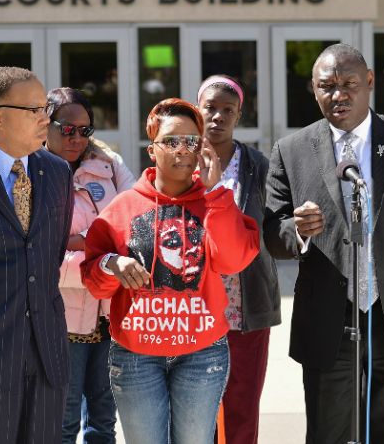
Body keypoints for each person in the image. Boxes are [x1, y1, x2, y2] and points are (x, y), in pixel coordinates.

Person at [263, 43, 384, 444]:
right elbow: (271, 232)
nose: (339, 95)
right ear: (314, 91)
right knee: (329, 433)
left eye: (350, 83)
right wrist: (296, 229)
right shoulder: (291, 150)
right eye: (327, 86)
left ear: (369, 82)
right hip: (328, 321)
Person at [80, 98, 261, 444]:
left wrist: (215, 192)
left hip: (202, 353)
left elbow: (234, 260)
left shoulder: (215, 202)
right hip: (136, 357)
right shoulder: (124, 208)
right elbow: (96, 282)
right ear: (152, 150)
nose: (182, 149)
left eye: (191, 141)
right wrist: (111, 263)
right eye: (171, 141)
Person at [0, 66, 74, 444]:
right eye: (34, 110)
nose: (47, 119)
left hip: (47, 356)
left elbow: (50, 255)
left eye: (47, 108)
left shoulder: (58, 173)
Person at [45, 87, 137, 444]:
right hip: (60, 320)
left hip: (108, 316)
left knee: (102, 420)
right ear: (45, 125)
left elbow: (133, 226)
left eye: (85, 130)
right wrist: (99, 258)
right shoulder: (30, 173)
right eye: (67, 129)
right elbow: (35, 257)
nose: (77, 138)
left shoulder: (109, 166)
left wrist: (73, 243)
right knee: (63, 423)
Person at [196, 75, 281, 444]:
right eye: (210, 108)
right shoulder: (181, 159)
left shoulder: (258, 165)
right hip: (193, 305)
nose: (217, 117)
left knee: (242, 404)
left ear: (239, 115)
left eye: (227, 110)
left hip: (245, 304)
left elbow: (276, 222)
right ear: (197, 110)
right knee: (195, 408)